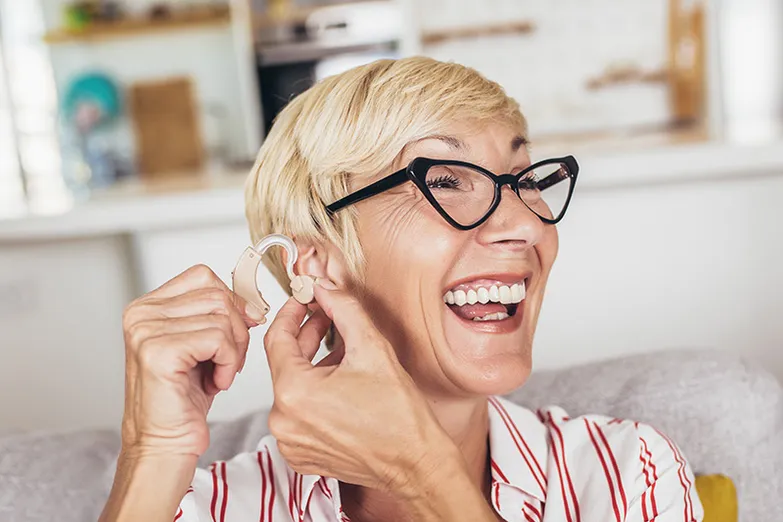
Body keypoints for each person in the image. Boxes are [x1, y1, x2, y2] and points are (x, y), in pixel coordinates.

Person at [99, 57, 703, 522]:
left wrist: (426, 475)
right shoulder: (217, 508)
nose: (525, 222)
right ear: (313, 258)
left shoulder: (626, 474)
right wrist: (150, 449)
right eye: (444, 179)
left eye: (522, 179)